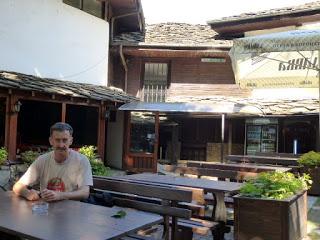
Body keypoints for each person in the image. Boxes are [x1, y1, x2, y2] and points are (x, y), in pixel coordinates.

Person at [13, 122, 93, 201]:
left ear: (71, 141)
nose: (61, 145)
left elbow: (85, 193)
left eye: (64, 140)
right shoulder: (42, 160)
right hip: (47, 209)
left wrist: (60, 195)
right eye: (57, 140)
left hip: (72, 210)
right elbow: (17, 186)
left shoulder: (81, 161)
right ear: (51, 141)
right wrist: (28, 193)